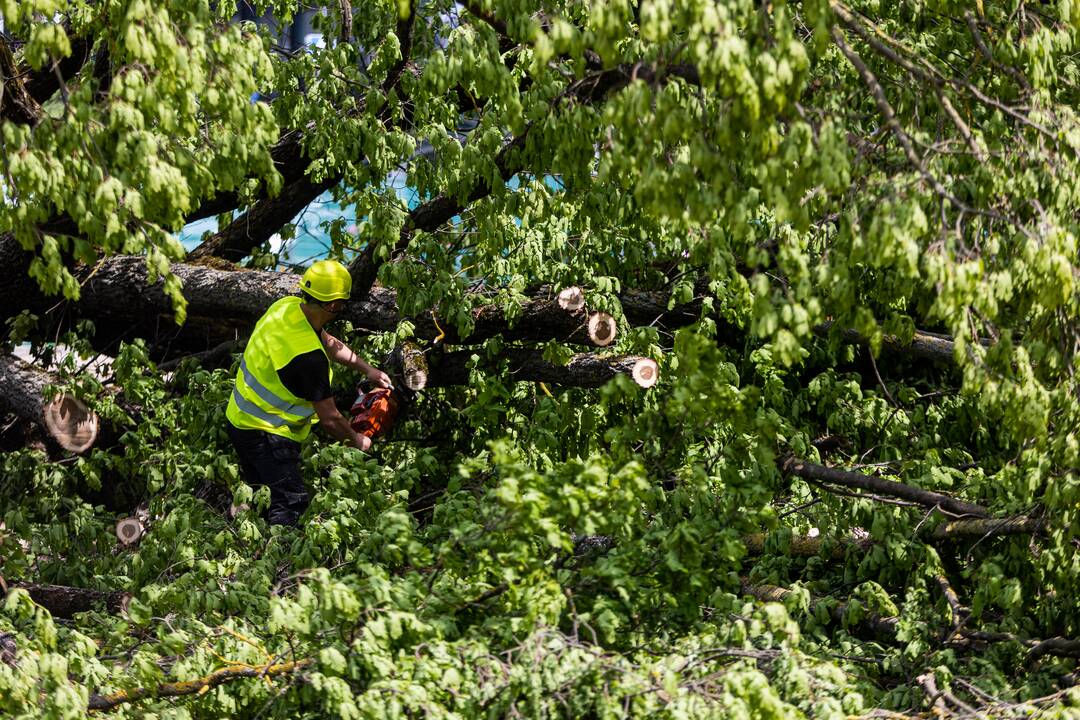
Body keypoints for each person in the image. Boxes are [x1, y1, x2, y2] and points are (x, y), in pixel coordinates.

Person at [224, 259, 391, 525]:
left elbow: (327, 341)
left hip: (239, 418)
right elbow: (331, 419)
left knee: (261, 492)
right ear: (334, 305)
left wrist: (367, 369)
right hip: (267, 432)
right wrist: (357, 441)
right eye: (342, 303)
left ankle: (244, 539)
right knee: (290, 501)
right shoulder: (309, 361)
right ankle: (277, 563)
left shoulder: (287, 308)